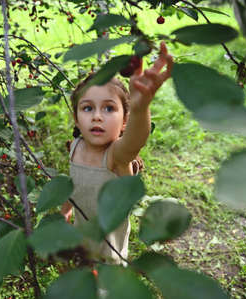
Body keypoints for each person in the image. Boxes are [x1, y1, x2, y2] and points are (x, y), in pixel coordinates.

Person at [61, 41, 174, 265]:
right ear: (76, 118)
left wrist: (140, 109)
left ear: (125, 121)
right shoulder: (75, 146)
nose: (97, 116)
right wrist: (65, 211)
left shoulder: (116, 156)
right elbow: (73, 183)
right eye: (87, 108)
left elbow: (135, 141)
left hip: (108, 253)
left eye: (109, 108)